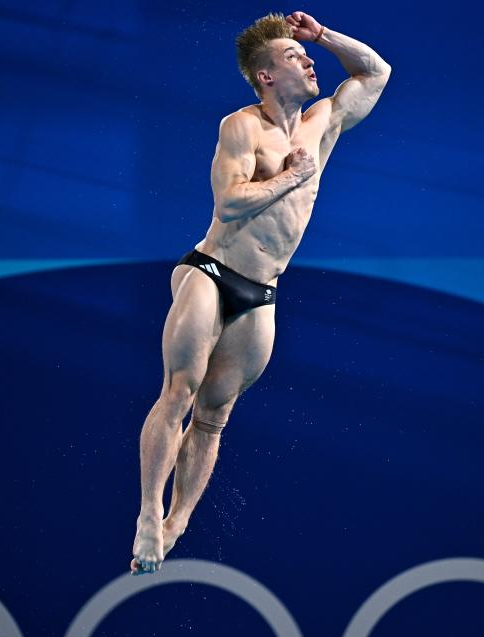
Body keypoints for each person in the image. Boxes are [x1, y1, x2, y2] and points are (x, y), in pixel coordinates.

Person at [131, 10, 391, 575]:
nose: (310, 61)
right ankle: (149, 513)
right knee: (180, 392)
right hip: (211, 271)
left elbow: (376, 73)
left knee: (214, 416)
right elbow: (229, 204)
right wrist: (292, 177)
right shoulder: (242, 126)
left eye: (308, 54)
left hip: (263, 290)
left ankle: (177, 523)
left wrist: (322, 34)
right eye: (295, 55)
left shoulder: (323, 122)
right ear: (266, 75)